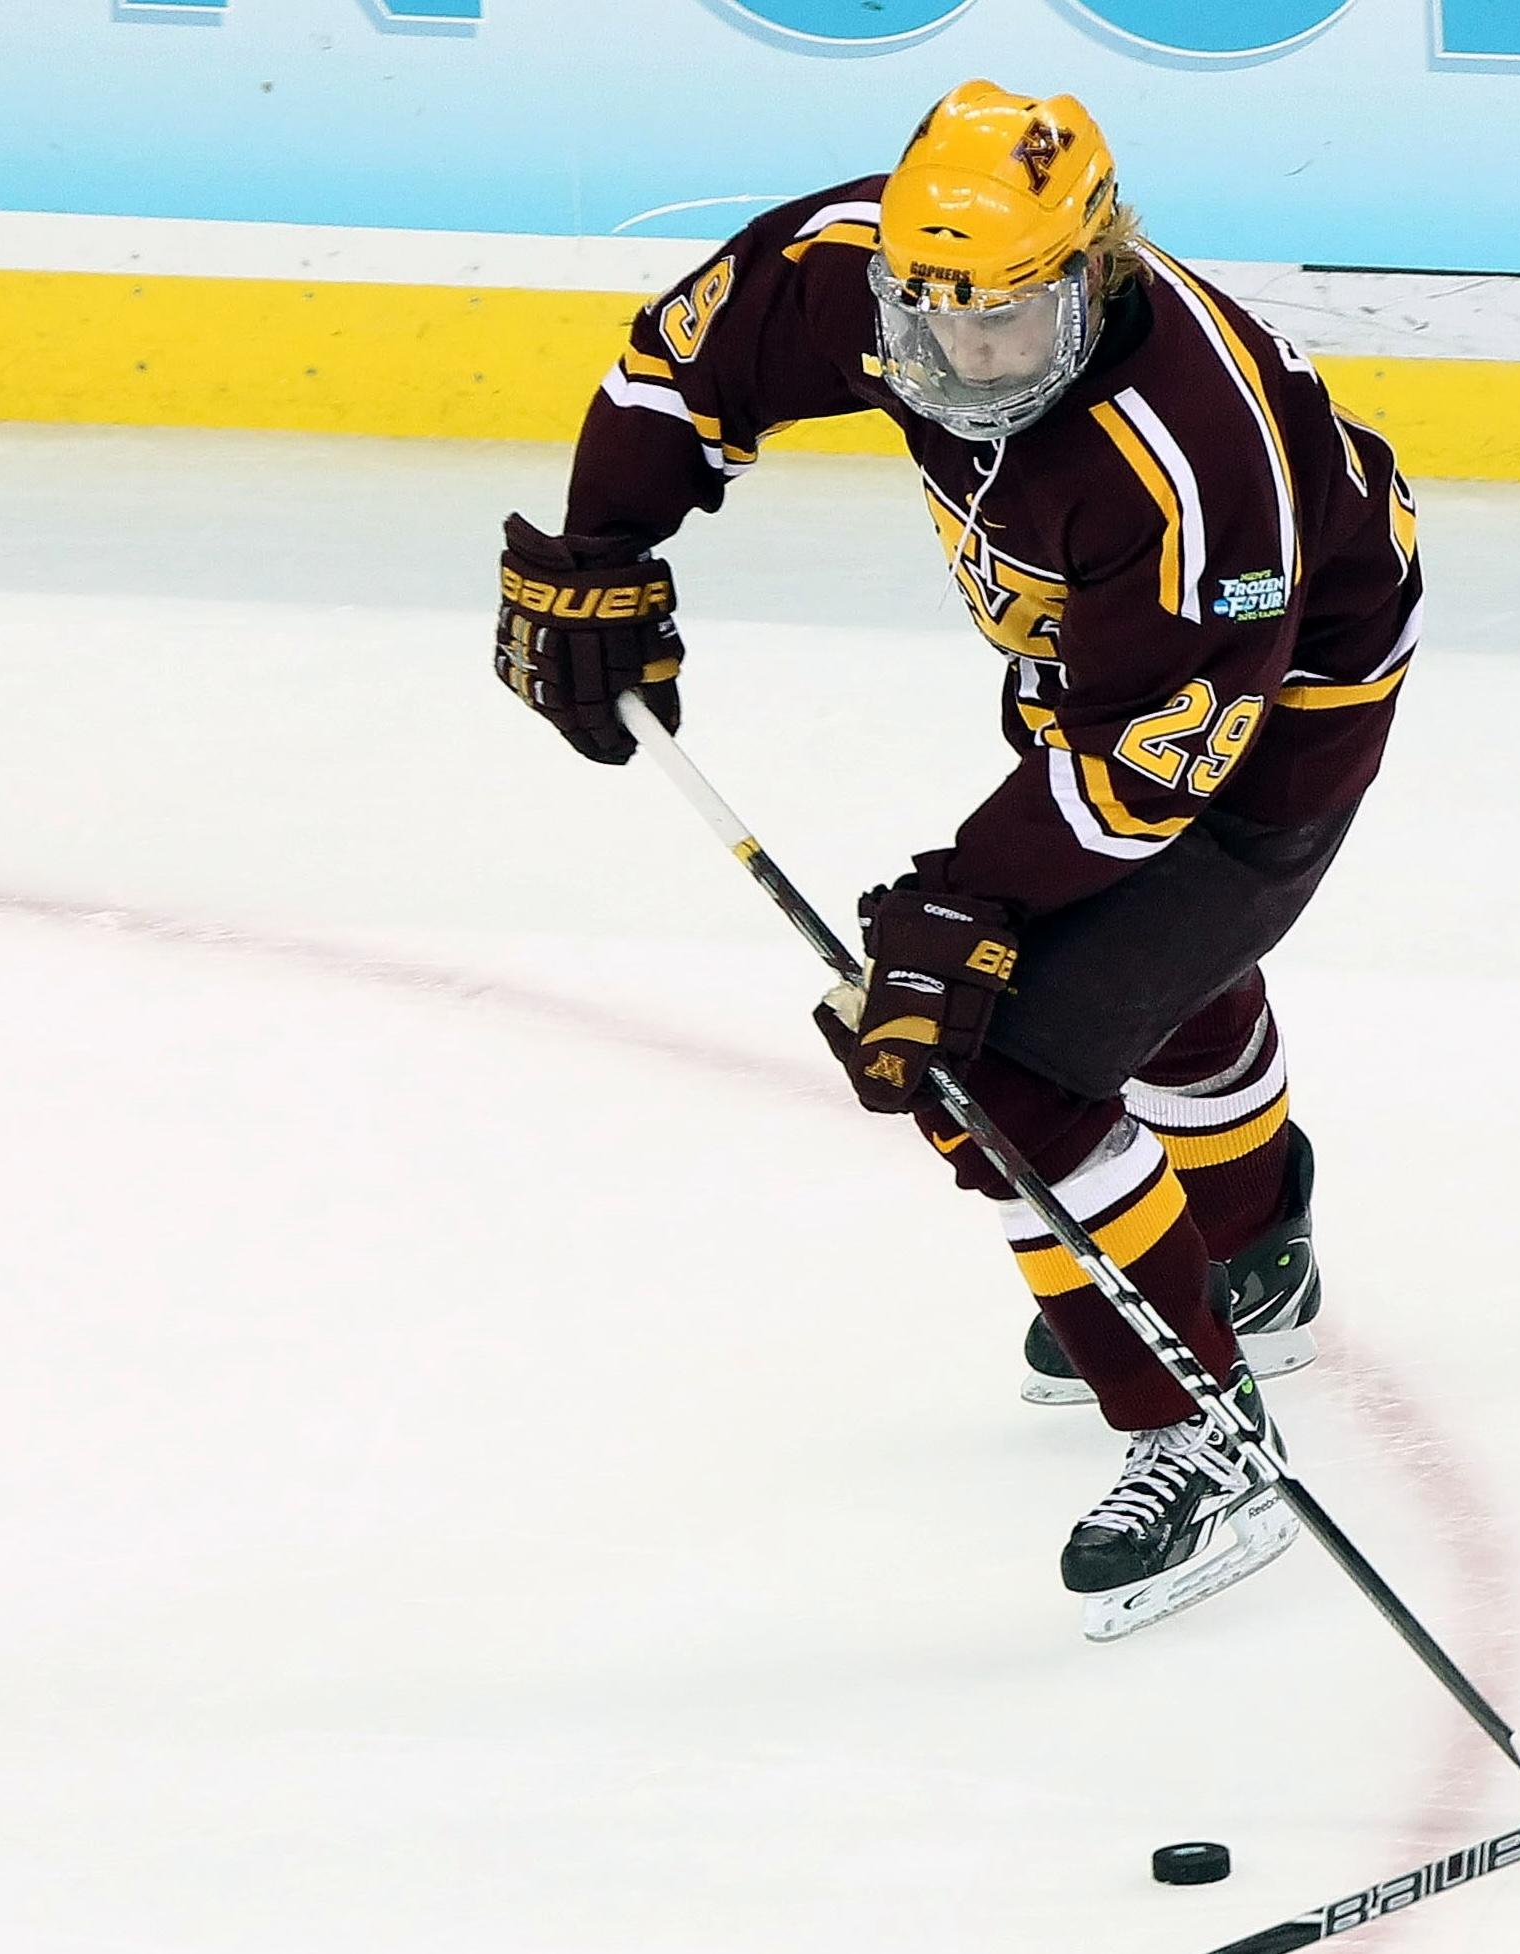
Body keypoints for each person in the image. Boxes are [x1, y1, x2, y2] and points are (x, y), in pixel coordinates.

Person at [490, 81, 1423, 1636]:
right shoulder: (871, 265)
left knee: (988, 1058)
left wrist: (955, 909)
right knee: (1144, 974)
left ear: (1097, 270)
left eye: (1003, 329)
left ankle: (1196, 1417)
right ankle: (1250, 1249)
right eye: (929, 326)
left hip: (1274, 707)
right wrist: (600, 554)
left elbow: (1139, 785)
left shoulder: (1192, 466)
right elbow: (671, 371)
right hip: (1097, 654)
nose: (957, 365)